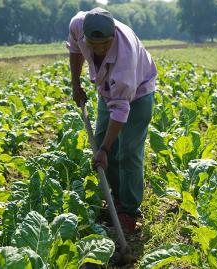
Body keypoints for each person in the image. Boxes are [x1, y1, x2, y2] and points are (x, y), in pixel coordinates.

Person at [67, 7, 157, 233]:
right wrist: (75, 83)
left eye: (104, 45)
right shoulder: (78, 25)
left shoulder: (124, 60)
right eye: (93, 45)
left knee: (127, 151)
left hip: (138, 94)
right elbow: (76, 49)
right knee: (100, 139)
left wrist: (105, 150)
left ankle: (129, 210)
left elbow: (120, 110)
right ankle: (116, 198)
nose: (97, 50)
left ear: (113, 36)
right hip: (107, 89)